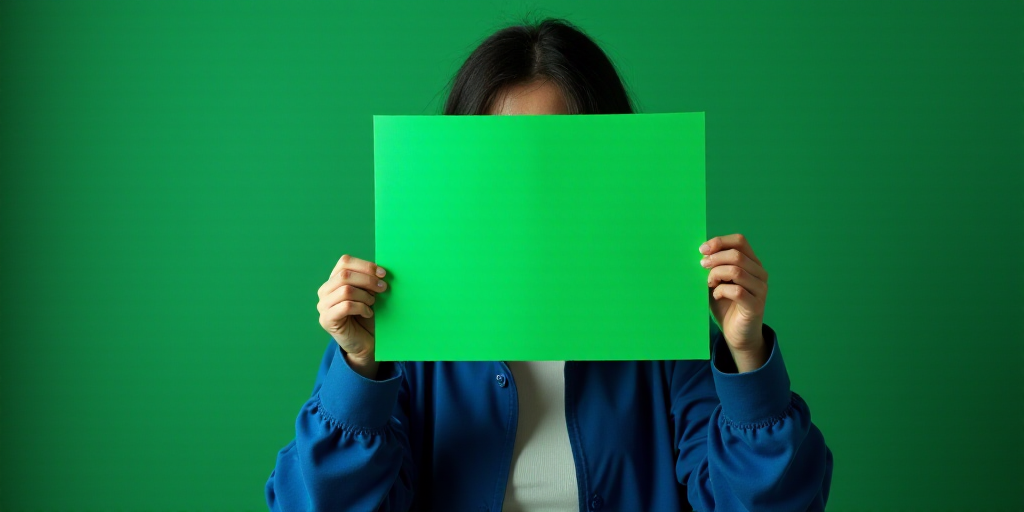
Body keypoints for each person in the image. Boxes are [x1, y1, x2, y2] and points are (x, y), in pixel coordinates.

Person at [265, 18, 833, 512]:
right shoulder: (408, 334)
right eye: (500, 164)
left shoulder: (663, 334)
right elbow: (313, 503)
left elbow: (766, 503)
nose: (530, 197)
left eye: (562, 162)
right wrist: (359, 370)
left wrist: (747, 353)